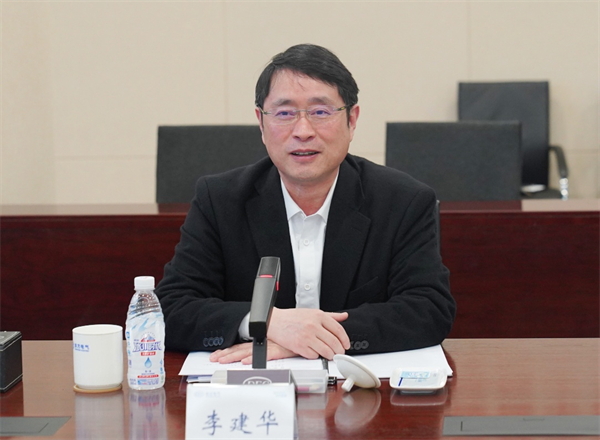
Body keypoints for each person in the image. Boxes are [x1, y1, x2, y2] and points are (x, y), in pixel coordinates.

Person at [156, 44, 456, 364]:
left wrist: (305, 341)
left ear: (352, 120)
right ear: (261, 123)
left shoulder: (403, 201)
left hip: (361, 389)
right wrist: (269, 322)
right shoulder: (219, 200)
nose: (303, 131)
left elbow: (428, 308)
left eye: (320, 112)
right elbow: (170, 308)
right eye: (285, 113)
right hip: (254, 388)